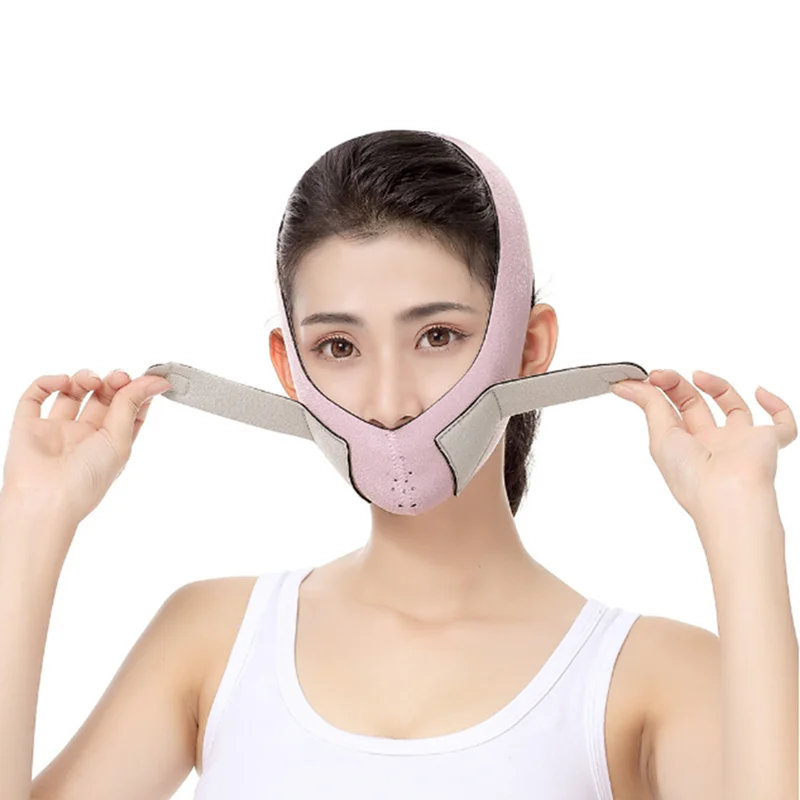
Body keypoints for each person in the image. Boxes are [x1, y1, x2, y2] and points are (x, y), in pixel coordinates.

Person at [1, 130, 723, 799]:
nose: (389, 404)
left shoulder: (658, 675)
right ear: (289, 368)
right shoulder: (211, 638)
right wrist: (32, 520)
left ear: (529, 346)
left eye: (437, 336)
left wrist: (741, 524)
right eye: (339, 347)